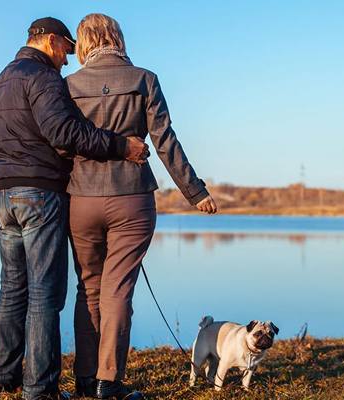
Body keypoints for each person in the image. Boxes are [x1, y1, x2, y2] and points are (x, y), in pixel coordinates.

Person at [0, 17, 149, 400]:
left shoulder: (1, 80)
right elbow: (64, 133)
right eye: (66, 50)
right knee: (45, 291)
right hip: (39, 192)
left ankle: (1, 376)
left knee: (12, 286)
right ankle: (40, 388)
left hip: (4, 194)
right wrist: (122, 146)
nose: (68, 60)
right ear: (51, 41)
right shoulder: (43, 78)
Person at [65, 13, 217, 400]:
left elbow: (61, 143)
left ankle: (84, 378)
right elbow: (165, 141)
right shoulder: (144, 79)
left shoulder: (68, 85)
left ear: (84, 42)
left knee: (89, 289)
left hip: (80, 198)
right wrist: (195, 192)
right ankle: (108, 382)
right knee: (118, 290)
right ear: (116, 37)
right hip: (131, 198)